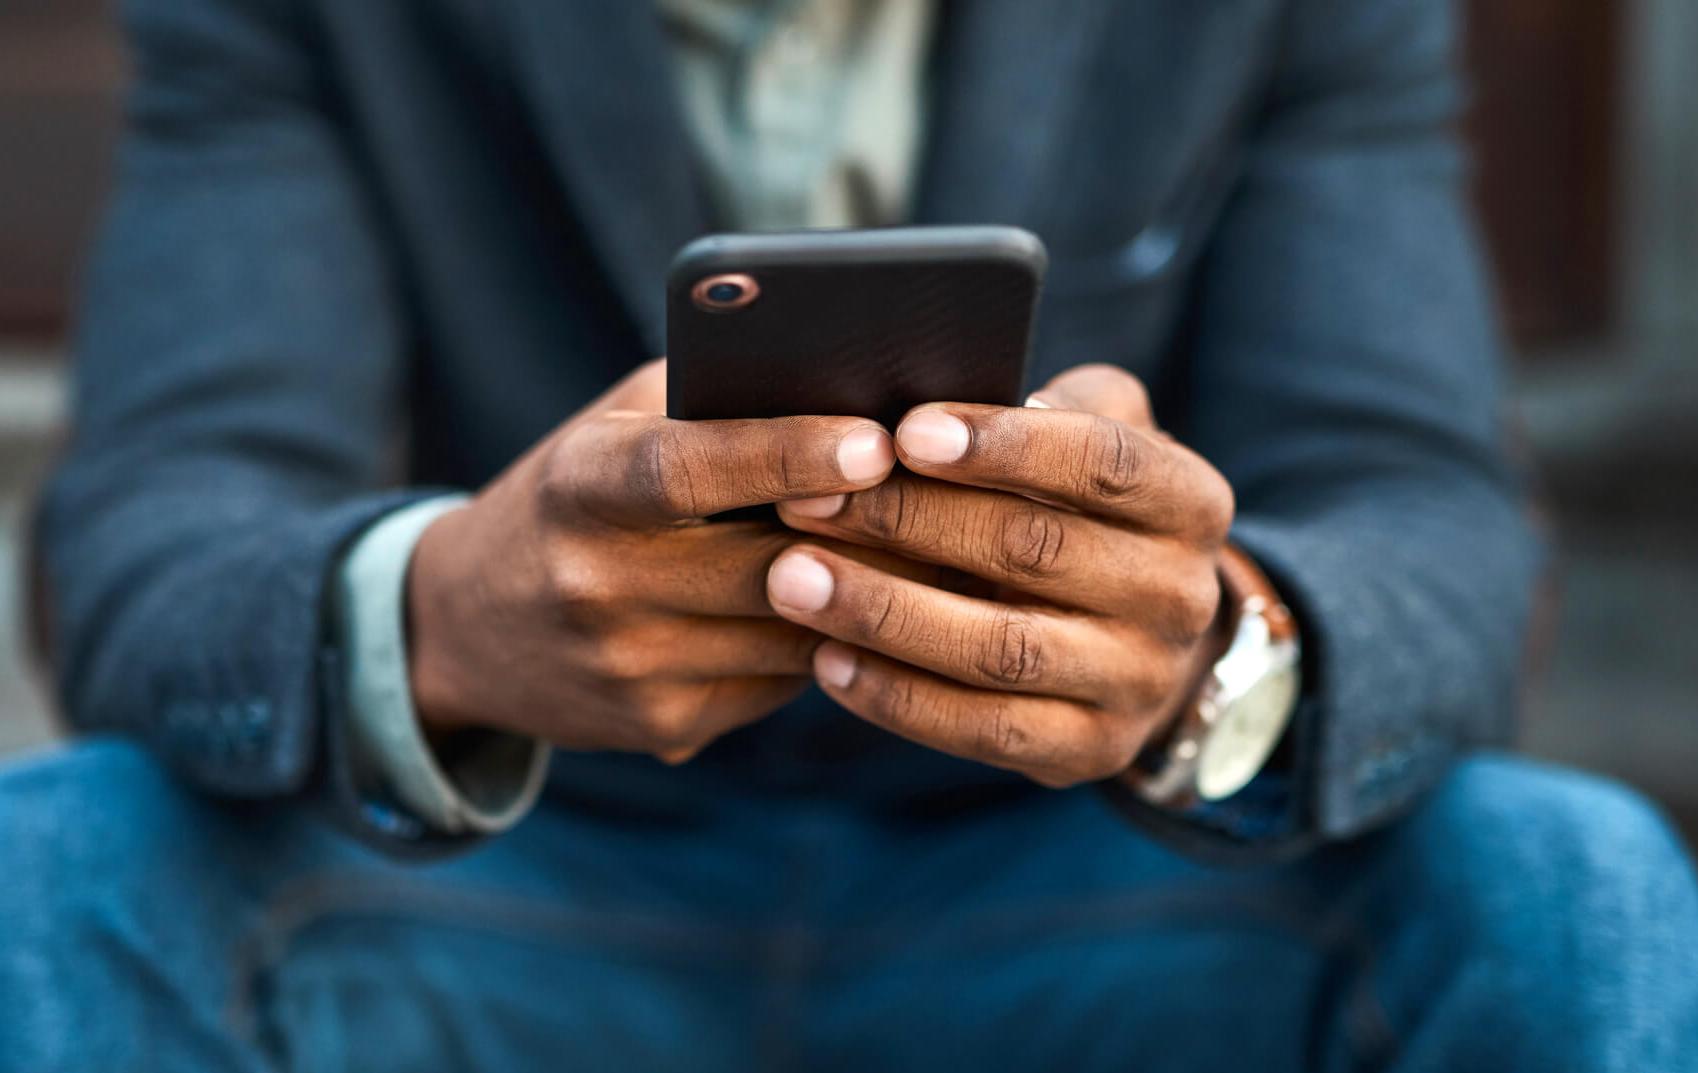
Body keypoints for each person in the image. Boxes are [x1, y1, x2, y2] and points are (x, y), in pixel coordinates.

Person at [3, 0, 1695, 1069]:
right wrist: (446, 614)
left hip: (1092, 881)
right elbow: (152, 531)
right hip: (512, 879)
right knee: (56, 863)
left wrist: (1202, 650)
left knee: (1564, 879)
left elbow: (1435, 520)